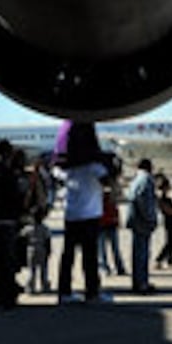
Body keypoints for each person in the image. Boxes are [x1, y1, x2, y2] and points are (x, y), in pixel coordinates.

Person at [55, 123, 112, 304]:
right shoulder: (94, 168)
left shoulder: (68, 169)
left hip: (71, 215)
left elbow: (56, 170)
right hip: (90, 215)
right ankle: (92, 292)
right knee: (90, 257)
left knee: (68, 255)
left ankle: (64, 292)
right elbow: (108, 179)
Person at [0, 142, 24, 309]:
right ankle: (7, 294)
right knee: (7, 258)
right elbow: (13, 196)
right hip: (7, 219)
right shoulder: (8, 173)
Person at [126, 159, 159, 293]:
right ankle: (141, 283)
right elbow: (142, 200)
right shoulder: (146, 180)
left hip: (135, 220)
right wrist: (150, 217)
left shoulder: (135, 180)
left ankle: (139, 281)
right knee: (142, 253)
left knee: (138, 252)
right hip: (142, 221)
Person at [23, 157, 53, 295]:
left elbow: (23, 237)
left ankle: (31, 286)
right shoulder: (45, 229)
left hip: (31, 251)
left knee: (32, 269)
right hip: (43, 251)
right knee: (44, 269)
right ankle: (45, 285)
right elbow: (48, 240)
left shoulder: (29, 229)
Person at [97, 172, 126, 277]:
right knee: (111, 248)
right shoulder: (110, 190)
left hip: (104, 221)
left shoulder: (98, 190)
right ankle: (117, 267)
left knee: (104, 248)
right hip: (107, 221)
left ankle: (107, 268)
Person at [153, 174, 172, 269]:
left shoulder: (167, 198)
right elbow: (167, 209)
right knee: (170, 241)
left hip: (171, 219)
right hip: (168, 220)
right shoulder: (162, 199)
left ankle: (170, 259)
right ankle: (159, 259)